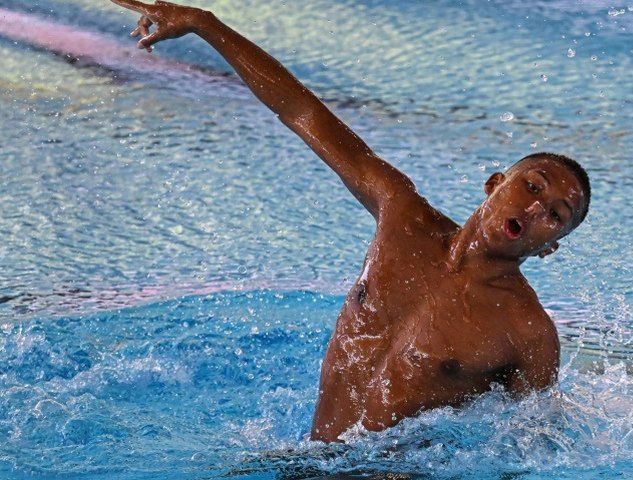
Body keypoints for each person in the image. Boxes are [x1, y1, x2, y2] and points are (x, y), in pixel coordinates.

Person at [110, 0, 591, 443]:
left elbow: (529, 445)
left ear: (550, 246)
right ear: (494, 183)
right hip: (311, 458)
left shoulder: (526, 332)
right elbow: (300, 111)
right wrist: (204, 23)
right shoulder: (400, 212)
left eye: (554, 215)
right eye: (532, 186)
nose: (534, 210)